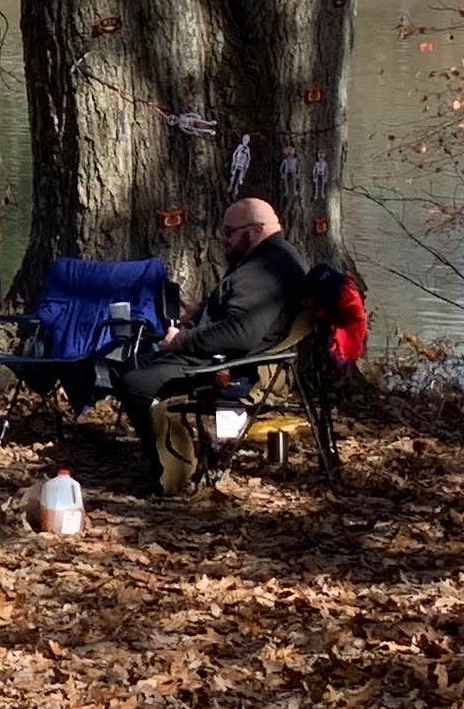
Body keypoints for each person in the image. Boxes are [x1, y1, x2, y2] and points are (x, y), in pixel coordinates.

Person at [114, 197, 317, 493]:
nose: (224, 239)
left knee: (134, 382)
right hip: (239, 357)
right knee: (137, 363)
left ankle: (170, 472)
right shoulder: (279, 257)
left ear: (255, 231)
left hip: (232, 368)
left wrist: (181, 340)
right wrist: (202, 313)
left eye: (229, 232)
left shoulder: (262, 271)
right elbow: (243, 316)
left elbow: (240, 333)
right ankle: (169, 459)